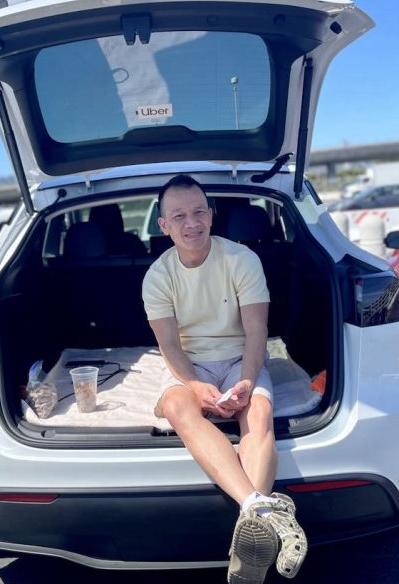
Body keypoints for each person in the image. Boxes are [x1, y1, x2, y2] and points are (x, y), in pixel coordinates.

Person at [142, 174, 307, 583]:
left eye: (199, 212)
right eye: (179, 216)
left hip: (240, 358)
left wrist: (247, 382)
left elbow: (256, 331)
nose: (191, 223)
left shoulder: (242, 259)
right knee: (177, 406)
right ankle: (260, 509)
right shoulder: (157, 276)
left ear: (212, 216)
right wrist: (196, 387)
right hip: (190, 364)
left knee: (259, 413)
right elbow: (169, 346)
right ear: (163, 225)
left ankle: (251, 527)